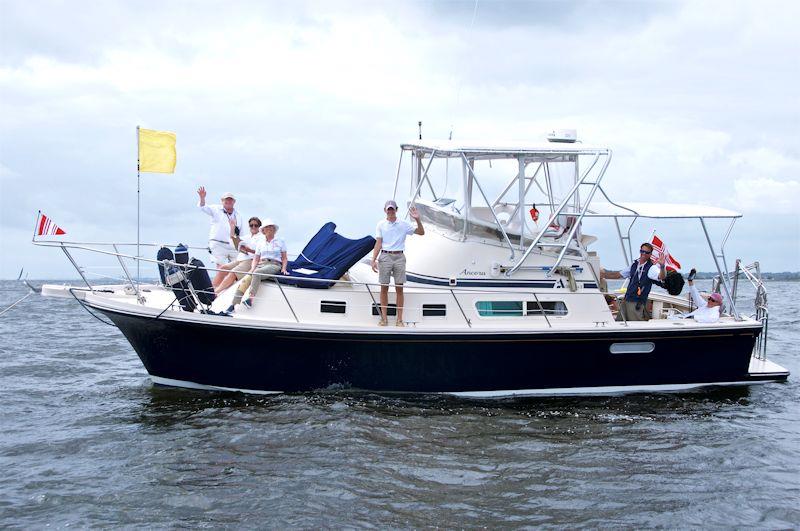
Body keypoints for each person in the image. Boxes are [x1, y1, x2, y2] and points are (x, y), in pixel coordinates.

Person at [371, 200, 424, 326]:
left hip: (399, 256)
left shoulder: (404, 224)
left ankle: (399, 319)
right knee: (384, 287)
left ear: (396, 210)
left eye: (392, 209)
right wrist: (373, 259)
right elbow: (378, 242)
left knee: (399, 288)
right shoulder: (381, 224)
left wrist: (417, 219)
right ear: (385, 210)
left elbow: (421, 232)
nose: (390, 211)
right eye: (388, 209)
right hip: (385, 256)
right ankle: (384, 318)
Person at [227, 219, 287, 312]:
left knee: (257, 273)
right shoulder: (261, 243)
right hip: (262, 264)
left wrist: (283, 268)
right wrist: (252, 268)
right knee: (246, 279)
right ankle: (233, 304)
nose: (269, 229)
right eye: (267, 227)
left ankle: (250, 299)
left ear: (274, 230)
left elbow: (284, 258)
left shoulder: (280, 241)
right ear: (263, 230)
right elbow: (256, 258)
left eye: (271, 227)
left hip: (274, 264)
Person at [600, 242, 666, 321]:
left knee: (636, 324)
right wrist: (602, 275)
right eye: (642, 251)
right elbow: (618, 275)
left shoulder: (651, 268)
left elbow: (661, 276)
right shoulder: (634, 265)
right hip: (627, 299)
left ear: (650, 254)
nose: (643, 254)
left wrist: (662, 266)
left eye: (646, 252)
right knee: (620, 321)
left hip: (637, 302)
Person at [197, 187, 242, 288]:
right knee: (221, 267)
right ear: (222, 201)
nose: (228, 201)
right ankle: (216, 290)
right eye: (226, 200)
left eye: (230, 200)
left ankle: (230, 287)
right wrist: (202, 198)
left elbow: (240, 233)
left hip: (233, 245)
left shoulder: (238, 215)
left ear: (234, 202)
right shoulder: (216, 209)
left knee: (238, 266)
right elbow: (203, 207)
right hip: (218, 244)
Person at [214, 216, 262, 295]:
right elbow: (232, 240)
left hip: (250, 260)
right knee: (223, 268)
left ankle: (216, 292)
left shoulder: (261, 238)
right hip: (240, 259)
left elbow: (261, 252)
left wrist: (248, 250)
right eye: (251, 225)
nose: (253, 227)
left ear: (259, 227)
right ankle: (211, 289)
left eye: (255, 225)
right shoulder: (247, 237)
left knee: (233, 272)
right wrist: (232, 227)